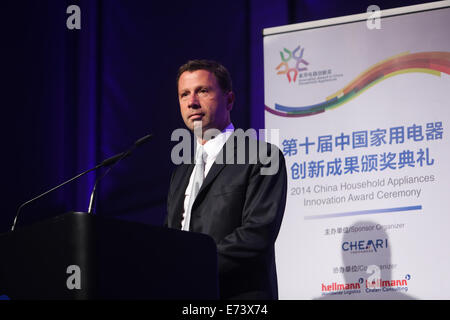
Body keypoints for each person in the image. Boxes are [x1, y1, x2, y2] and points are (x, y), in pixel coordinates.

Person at [165, 59, 287, 299]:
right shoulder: (180, 173)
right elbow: (170, 237)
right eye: (184, 94)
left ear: (229, 99)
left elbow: (256, 234)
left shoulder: (262, 156)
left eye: (203, 91)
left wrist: (193, 268)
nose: (192, 102)